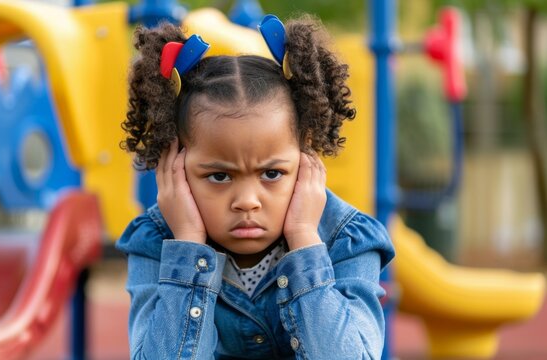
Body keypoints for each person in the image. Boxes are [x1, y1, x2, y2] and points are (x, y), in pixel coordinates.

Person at [117, 14, 395, 359]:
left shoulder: (347, 240)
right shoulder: (156, 242)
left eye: (272, 174)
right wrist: (187, 243)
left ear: (304, 155)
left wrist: (304, 237)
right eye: (219, 176)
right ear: (175, 163)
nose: (247, 202)